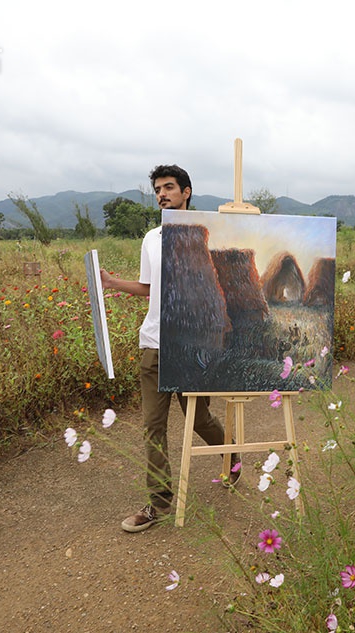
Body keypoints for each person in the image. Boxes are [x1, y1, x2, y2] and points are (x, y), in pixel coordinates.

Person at [100, 164, 238, 533]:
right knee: (152, 426)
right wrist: (113, 282)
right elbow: (149, 287)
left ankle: (232, 454)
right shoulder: (152, 238)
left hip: (191, 345)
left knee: (200, 419)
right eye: (158, 189)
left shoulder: (205, 234)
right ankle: (158, 503)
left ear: (186, 192)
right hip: (154, 343)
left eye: (169, 188)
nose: (162, 194)